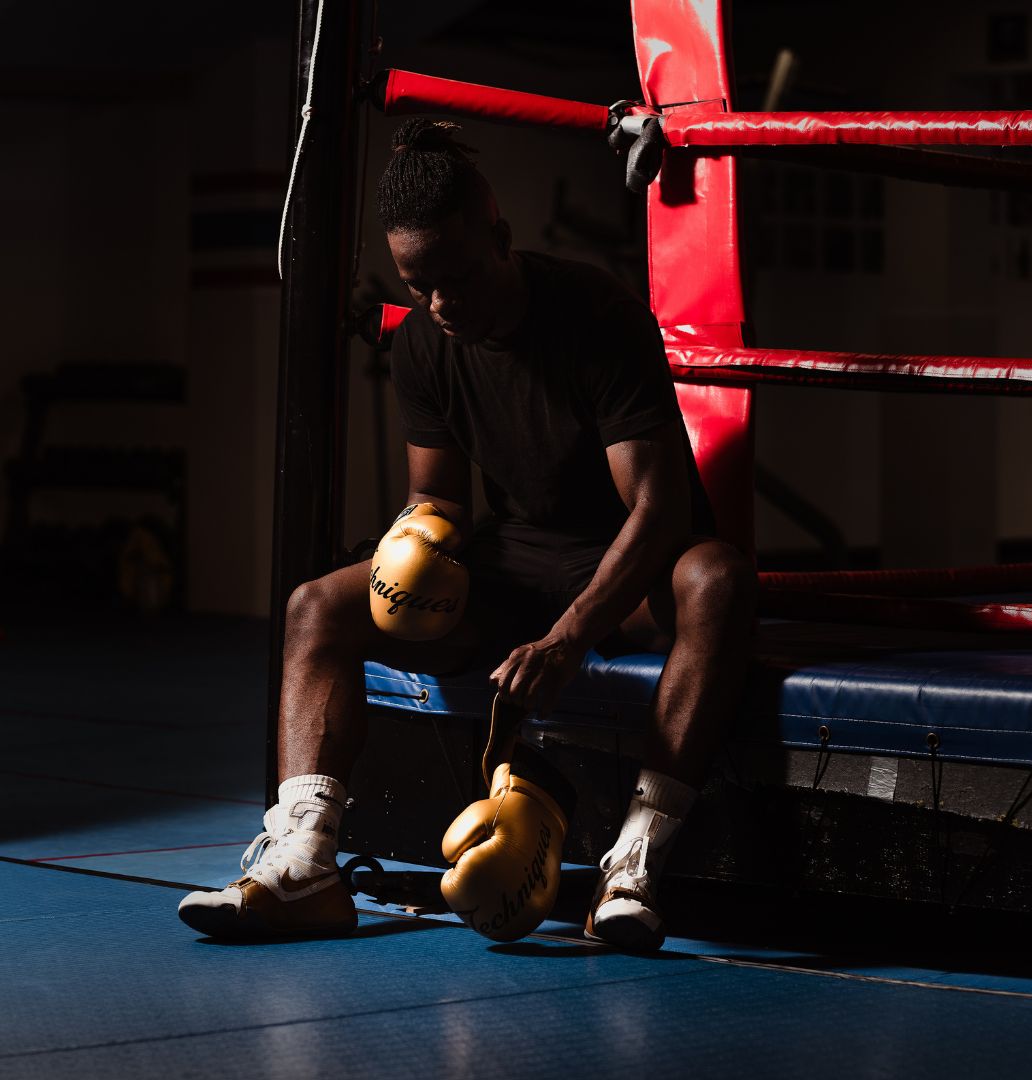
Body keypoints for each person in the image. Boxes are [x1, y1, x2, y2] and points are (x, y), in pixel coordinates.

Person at [177, 118, 755, 951]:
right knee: (316, 606)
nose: (441, 305)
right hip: (517, 559)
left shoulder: (597, 316)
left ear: (501, 239)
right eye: (421, 287)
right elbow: (435, 498)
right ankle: (306, 862)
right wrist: (416, 547)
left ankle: (633, 866)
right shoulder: (423, 344)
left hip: (631, 565)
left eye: (456, 278)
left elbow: (658, 510)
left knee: (717, 578)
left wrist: (565, 640)